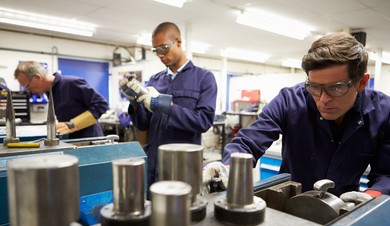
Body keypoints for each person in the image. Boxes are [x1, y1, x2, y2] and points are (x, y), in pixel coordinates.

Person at [203, 32, 390, 201]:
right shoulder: (289, 100)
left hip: (346, 209)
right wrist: (228, 167)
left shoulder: (383, 112)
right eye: (315, 87)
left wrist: (371, 197)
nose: (323, 99)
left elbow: (386, 174)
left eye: (336, 87)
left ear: (362, 82)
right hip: (288, 206)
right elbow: (250, 140)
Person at [120, 22, 218, 187]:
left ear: (178, 42)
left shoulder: (204, 78)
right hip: (153, 161)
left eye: (164, 48)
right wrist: (135, 104)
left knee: (179, 210)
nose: (160, 55)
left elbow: (203, 121)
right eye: (155, 50)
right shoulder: (155, 80)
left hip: (182, 164)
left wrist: (166, 105)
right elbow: (144, 124)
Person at [14, 61, 109, 139]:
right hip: (71, 139)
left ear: (38, 77)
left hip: (89, 140)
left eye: (27, 86)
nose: (28, 91)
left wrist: (73, 124)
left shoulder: (72, 83)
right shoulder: (50, 91)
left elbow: (101, 104)